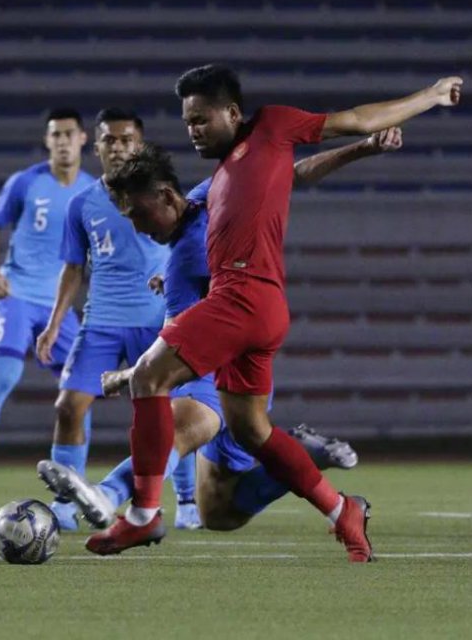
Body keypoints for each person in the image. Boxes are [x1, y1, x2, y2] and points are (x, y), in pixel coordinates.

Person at [86, 64, 461, 562]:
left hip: (241, 297)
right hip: (260, 307)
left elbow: (357, 117)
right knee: (251, 430)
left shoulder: (272, 126)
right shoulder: (218, 180)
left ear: (233, 112)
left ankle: (142, 516)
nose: (193, 130)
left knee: (149, 377)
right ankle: (340, 509)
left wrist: (430, 96)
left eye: (201, 118)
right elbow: (294, 174)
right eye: (187, 122)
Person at [39, 129, 403, 532]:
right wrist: (363, 149)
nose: (139, 228)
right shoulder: (206, 198)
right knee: (219, 512)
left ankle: (107, 494)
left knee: (176, 432)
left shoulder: (185, 253)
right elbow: (293, 175)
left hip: (220, 364)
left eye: (139, 215)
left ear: (165, 196)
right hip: (244, 360)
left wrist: (128, 374)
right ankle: (300, 455)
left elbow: (175, 341)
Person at [34, 108, 198, 531]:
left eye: (127, 139)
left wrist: (173, 275)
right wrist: (55, 324)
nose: (119, 147)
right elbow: (74, 268)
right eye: (110, 139)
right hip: (102, 321)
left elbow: (188, 242)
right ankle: (67, 502)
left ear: (139, 146)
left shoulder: (162, 195)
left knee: (171, 411)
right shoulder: (82, 204)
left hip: (158, 319)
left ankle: (186, 499)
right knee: (68, 407)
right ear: (98, 144)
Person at [0, 108, 94, 503]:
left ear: (83, 139)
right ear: (47, 140)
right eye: (55, 135)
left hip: (59, 308)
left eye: (69, 134)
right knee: (2, 378)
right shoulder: (26, 183)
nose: (63, 141)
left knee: (80, 391)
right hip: (16, 295)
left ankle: (75, 486)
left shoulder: (92, 190)